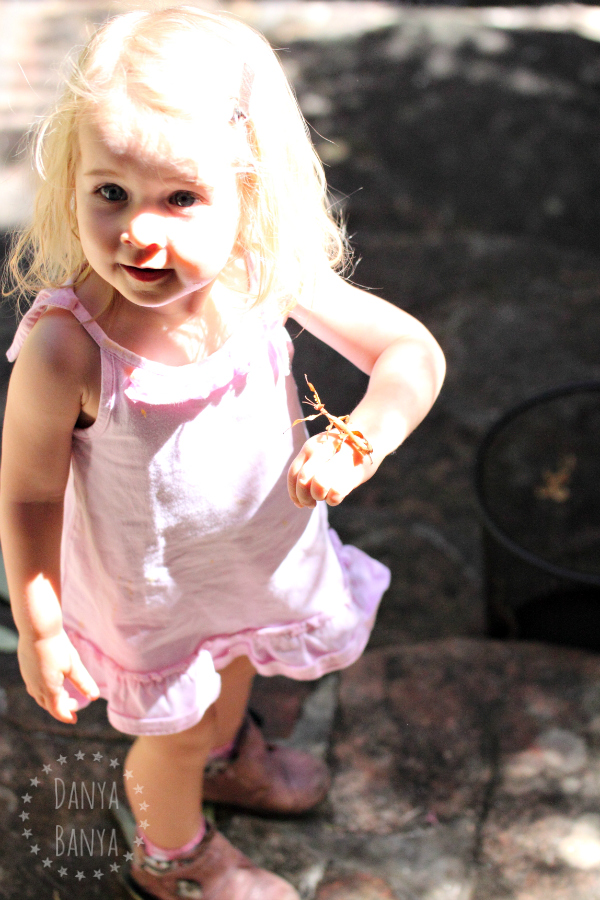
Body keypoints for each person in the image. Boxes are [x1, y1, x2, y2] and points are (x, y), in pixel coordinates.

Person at [0, 6, 445, 899]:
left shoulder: (257, 271)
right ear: (73, 181)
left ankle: (226, 757)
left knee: (237, 658)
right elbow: (28, 495)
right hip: (151, 596)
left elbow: (411, 355)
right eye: (111, 193)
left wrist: (360, 439)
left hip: (252, 563)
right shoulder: (69, 348)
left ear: (248, 189)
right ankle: (172, 855)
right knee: (168, 730)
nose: (139, 233)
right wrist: (40, 623)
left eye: (181, 198)